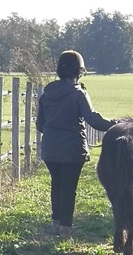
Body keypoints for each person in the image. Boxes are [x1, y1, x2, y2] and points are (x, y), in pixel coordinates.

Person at [36, 50, 116, 238]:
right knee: (69, 188)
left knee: (57, 184)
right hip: (73, 150)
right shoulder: (78, 93)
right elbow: (93, 120)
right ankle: (66, 228)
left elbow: (40, 124)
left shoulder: (47, 93)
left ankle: (56, 224)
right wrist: (115, 124)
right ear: (79, 71)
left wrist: (55, 132)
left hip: (49, 149)